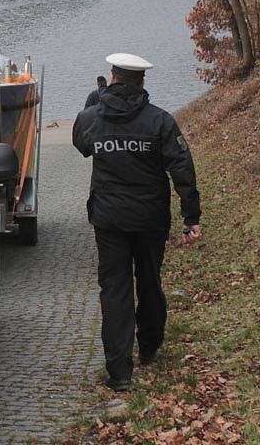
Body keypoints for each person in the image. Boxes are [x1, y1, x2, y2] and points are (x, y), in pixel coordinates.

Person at [72, 53, 202, 392]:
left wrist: (92, 105)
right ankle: (148, 346)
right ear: (142, 82)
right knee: (149, 281)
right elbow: (182, 168)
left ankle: (119, 372)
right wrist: (191, 217)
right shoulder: (160, 121)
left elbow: (80, 142)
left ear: (112, 79)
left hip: (109, 219)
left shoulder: (91, 118)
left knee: (115, 290)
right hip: (150, 219)